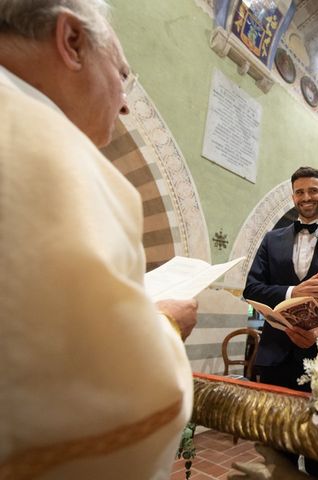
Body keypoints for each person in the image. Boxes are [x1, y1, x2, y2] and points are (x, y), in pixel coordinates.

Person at [0, 1, 198, 478]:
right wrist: (165, 325)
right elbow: (110, 400)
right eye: (122, 73)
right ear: (71, 42)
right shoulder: (43, 154)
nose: (126, 101)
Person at [243, 166, 318, 479]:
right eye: (300, 192)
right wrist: (293, 291)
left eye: (313, 190)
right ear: (292, 196)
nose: (306, 197)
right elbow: (251, 288)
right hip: (275, 356)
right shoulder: (271, 239)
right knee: (276, 449)